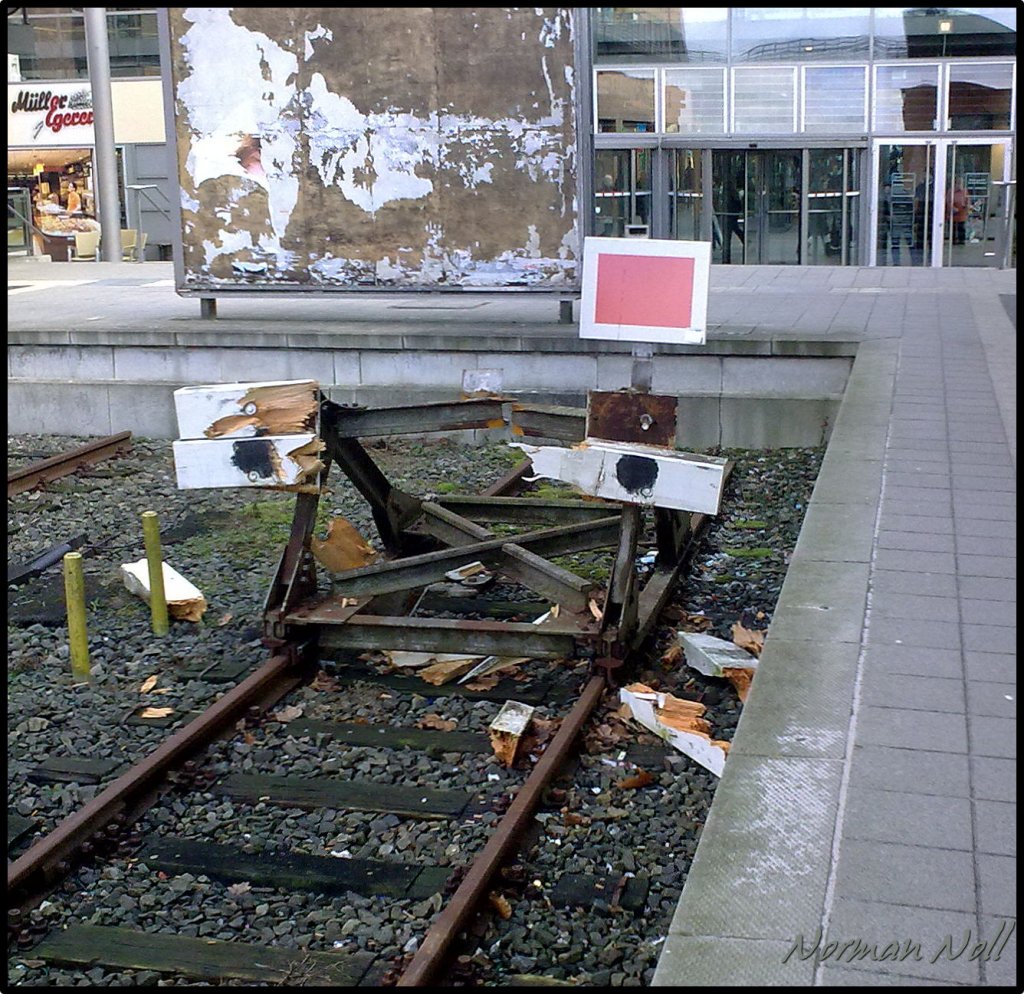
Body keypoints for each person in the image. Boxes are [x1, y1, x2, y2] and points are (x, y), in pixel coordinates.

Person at [948, 178, 968, 245]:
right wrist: (952, 208)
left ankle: (961, 240)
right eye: (958, 183)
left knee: (961, 227)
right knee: (953, 227)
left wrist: (966, 207)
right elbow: (948, 201)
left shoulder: (965, 191)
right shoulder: (951, 191)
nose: (959, 185)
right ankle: (953, 240)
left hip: (962, 212)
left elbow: (967, 201)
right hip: (953, 212)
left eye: (961, 183)